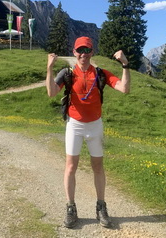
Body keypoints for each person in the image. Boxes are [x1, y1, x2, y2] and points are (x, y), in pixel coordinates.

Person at [46, 36, 130, 228]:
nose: (83, 54)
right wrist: (49, 68)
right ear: (74, 52)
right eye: (80, 50)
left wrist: (125, 65)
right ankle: (71, 208)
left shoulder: (101, 74)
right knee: (70, 167)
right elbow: (51, 92)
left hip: (95, 125)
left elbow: (124, 89)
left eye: (87, 50)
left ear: (92, 52)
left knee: (98, 167)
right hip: (74, 125)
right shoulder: (67, 73)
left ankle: (101, 207)